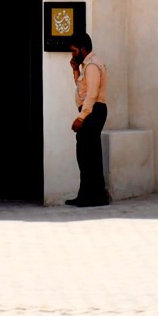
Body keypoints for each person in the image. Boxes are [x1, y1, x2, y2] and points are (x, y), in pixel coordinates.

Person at [66, 33, 109, 208]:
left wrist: (81, 117)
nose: (72, 55)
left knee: (87, 156)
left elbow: (91, 95)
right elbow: (82, 88)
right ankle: (89, 195)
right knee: (88, 155)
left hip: (93, 112)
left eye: (74, 51)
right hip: (93, 111)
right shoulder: (88, 65)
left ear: (83, 49)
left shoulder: (92, 66)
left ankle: (93, 197)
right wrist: (75, 70)